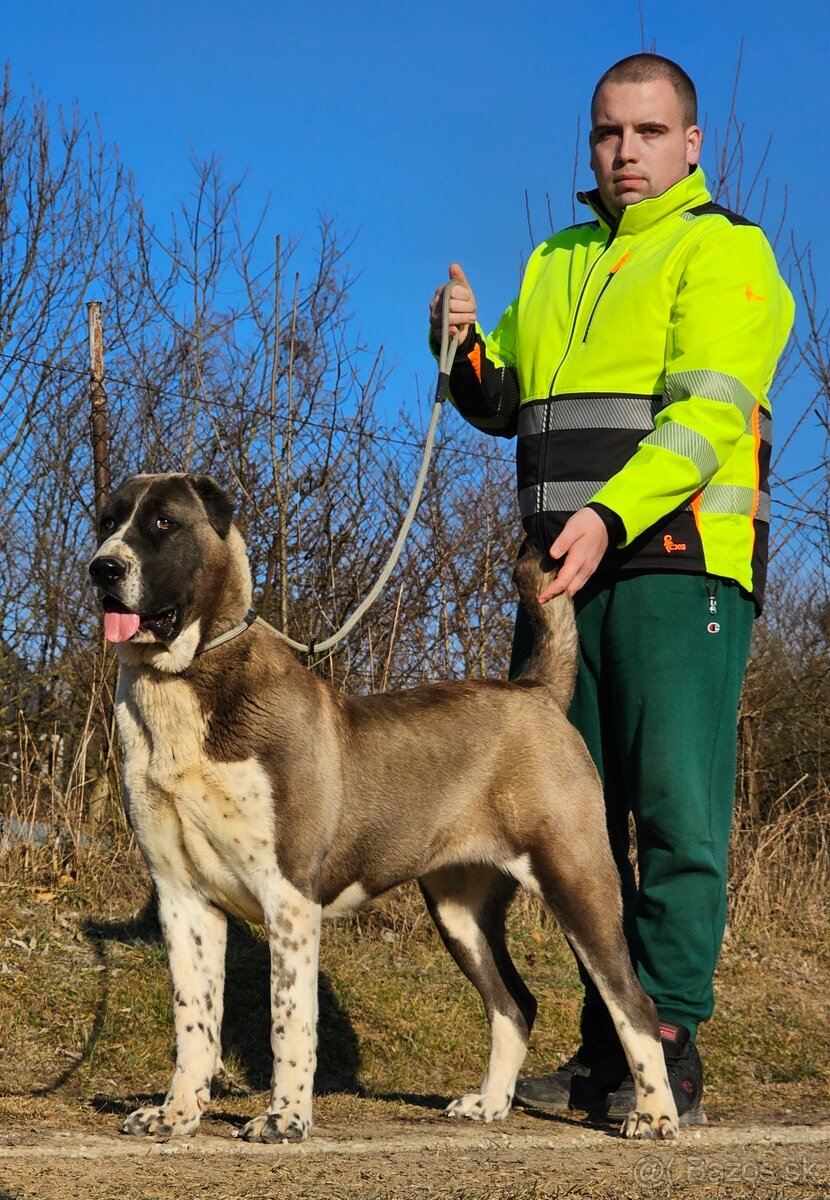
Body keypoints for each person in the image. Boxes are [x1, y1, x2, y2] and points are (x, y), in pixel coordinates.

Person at [428, 52, 794, 1124]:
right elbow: (506, 406)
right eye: (604, 133)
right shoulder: (554, 255)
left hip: (676, 569)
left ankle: (666, 1035)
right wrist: (459, 346)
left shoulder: (724, 250)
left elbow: (708, 416)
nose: (621, 152)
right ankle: (603, 1046)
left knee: (673, 810)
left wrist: (606, 517)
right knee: (560, 823)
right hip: (557, 581)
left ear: (689, 145)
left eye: (644, 133)